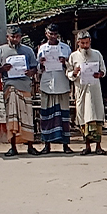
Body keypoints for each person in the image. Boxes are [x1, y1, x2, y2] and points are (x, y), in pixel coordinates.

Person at [0, 25, 39, 157]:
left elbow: (34, 68)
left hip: (25, 86)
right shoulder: (0, 51)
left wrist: (31, 72)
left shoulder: (28, 50)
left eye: (18, 36)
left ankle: (30, 145)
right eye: (12, 36)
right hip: (10, 87)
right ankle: (12, 146)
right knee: (12, 118)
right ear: (7, 37)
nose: (15, 39)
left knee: (27, 117)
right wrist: (3, 69)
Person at [37, 24, 75, 153]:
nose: (53, 37)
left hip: (61, 84)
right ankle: (47, 145)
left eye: (55, 34)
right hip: (47, 85)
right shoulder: (42, 48)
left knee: (63, 115)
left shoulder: (65, 48)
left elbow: (71, 68)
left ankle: (65, 144)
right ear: (46, 34)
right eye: (50, 34)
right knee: (47, 115)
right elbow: (38, 69)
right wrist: (41, 64)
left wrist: (65, 62)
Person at [68, 30, 106, 154]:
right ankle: (87, 146)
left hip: (95, 90)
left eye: (87, 43)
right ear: (78, 43)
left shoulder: (97, 54)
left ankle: (98, 146)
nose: (85, 46)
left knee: (97, 117)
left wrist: (99, 74)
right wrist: (74, 72)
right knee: (84, 118)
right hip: (82, 91)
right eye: (82, 43)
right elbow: (68, 73)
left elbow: (103, 70)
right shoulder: (73, 56)